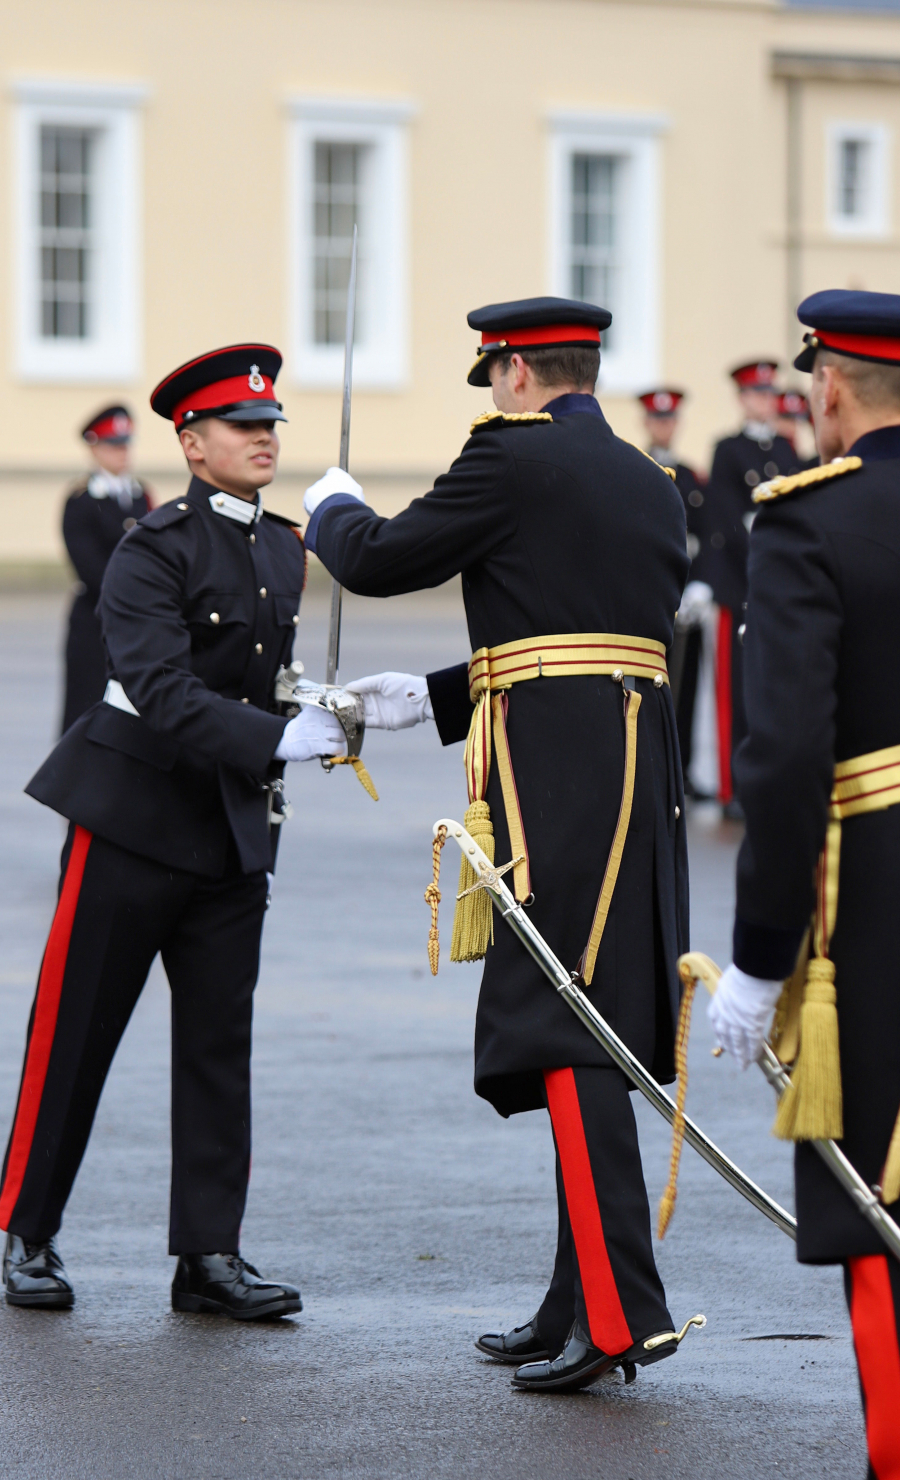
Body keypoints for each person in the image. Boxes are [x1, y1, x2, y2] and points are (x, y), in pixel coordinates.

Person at [303, 297, 695, 1392]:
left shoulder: (511, 459)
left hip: (555, 777)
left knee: (569, 1022)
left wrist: (333, 511)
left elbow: (381, 561)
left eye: (494, 379)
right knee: (592, 1024)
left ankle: (620, 1312)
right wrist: (428, 699)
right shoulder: (646, 483)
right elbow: (567, 625)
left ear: (516, 372)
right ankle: (577, 1295)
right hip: (625, 760)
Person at [0, 344, 349, 1319]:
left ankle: (208, 1256)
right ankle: (30, 1233)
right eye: (244, 427)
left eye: (271, 425)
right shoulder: (148, 550)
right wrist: (282, 736)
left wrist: (325, 705)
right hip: (130, 825)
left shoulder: (284, 547)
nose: (265, 439)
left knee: (216, 1049)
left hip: (230, 832)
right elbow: (162, 691)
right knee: (74, 1037)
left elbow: (259, 680)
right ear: (193, 447)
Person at [708, 289, 900, 1480]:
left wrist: (758, 957)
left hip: (879, 893)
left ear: (825, 388)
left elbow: (783, 765)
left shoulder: (806, 523)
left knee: (879, 1185)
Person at [703, 362, 799, 818]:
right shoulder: (728, 449)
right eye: (755, 393)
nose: (763, 399)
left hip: (775, 587)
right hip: (737, 586)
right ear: (742, 398)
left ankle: (766, 782)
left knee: (772, 691)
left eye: (768, 392)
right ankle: (731, 788)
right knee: (734, 695)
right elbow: (724, 519)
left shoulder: (785, 448)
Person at [61, 407, 153, 733]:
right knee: (87, 710)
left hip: (136, 621)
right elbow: (90, 568)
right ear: (94, 448)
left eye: (126, 444)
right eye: (114, 445)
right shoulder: (82, 499)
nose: (122, 453)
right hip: (95, 619)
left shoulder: (140, 494)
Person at [638, 389, 711, 793]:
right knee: (649, 682)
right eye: (657, 420)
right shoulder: (634, 466)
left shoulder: (691, 476)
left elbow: (705, 537)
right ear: (646, 423)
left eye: (669, 420)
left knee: (688, 687)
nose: (663, 427)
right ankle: (652, 764)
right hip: (651, 596)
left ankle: (682, 768)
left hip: (687, 597)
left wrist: (701, 584)